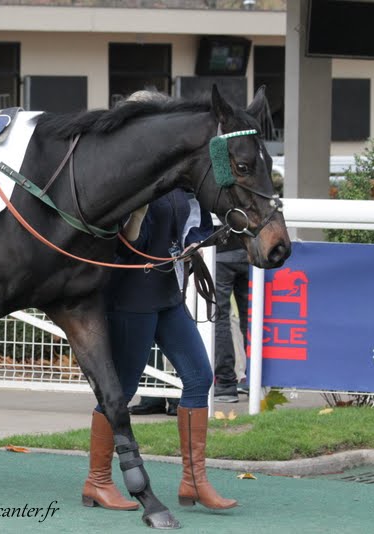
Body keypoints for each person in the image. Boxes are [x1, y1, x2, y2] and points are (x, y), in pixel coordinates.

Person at [83, 186, 238, 511]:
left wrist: (194, 240)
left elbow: (194, 222)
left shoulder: (178, 184)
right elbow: (125, 245)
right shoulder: (136, 174)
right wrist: (138, 214)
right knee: (120, 392)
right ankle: (97, 481)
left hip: (168, 295)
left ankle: (194, 481)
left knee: (200, 378)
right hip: (131, 299)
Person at [213, 235, 249, 403]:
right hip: (249, 249)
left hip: (219, 250)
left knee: (220, 318)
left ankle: (226, 383)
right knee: (250, 316)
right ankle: (254, 378)